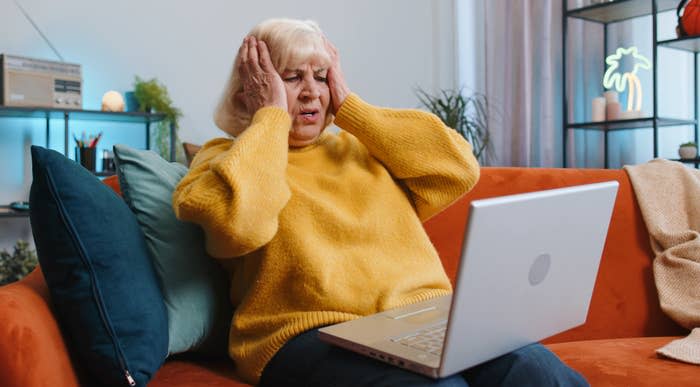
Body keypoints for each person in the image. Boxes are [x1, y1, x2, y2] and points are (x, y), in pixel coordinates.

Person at [173, 18, 587, 387]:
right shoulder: (224, 160)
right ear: (252, 90)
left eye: (321, 76)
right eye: (291, 77)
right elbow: (239, 226)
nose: (310, 93)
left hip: (422, 320)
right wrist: (271, 120)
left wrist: (350, 106)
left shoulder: (362, 149)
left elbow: (459, 168)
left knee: (535, 371)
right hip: (305, 334)